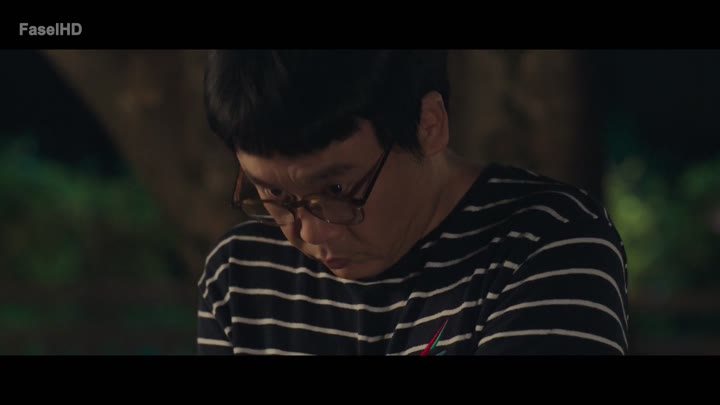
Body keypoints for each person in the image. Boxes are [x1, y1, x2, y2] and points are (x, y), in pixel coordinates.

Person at [196, 50, 629, 355]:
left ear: (428, 124)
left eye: (337, 191)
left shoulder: (549, 244)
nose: (311, 231)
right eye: (274, 194)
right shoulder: (241, 273)